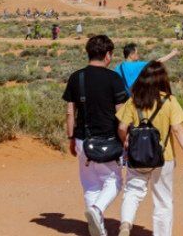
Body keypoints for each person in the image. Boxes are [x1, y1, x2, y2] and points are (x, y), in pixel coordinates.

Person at [116, 61, 183, 236]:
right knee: (163, 200)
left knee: (133, 191)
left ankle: (126, 224)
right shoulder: (169, 100)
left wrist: (126, 141)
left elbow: (121, 127)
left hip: (137, 156)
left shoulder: (133, 101)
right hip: (163, 157)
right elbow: (177, 129)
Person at [63, 35, 130, 236]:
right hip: (109, 139)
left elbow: (69, 112)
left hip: (84, 139)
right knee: (115, 180)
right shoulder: (114, 79)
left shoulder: (77, 77)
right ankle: (96, 210)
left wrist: (71, 137)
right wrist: (125, 137)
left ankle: (98, 227)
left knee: (90, 183)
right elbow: (122, 113)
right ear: (107, 55)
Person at [113, 43, 180, 90]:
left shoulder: (117, 68)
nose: (138, 55)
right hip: (136, 98)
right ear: (131, 55)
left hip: (125, 102)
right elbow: (158, 62)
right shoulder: (139, 65)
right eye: (137, 53)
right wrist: (172, 54)